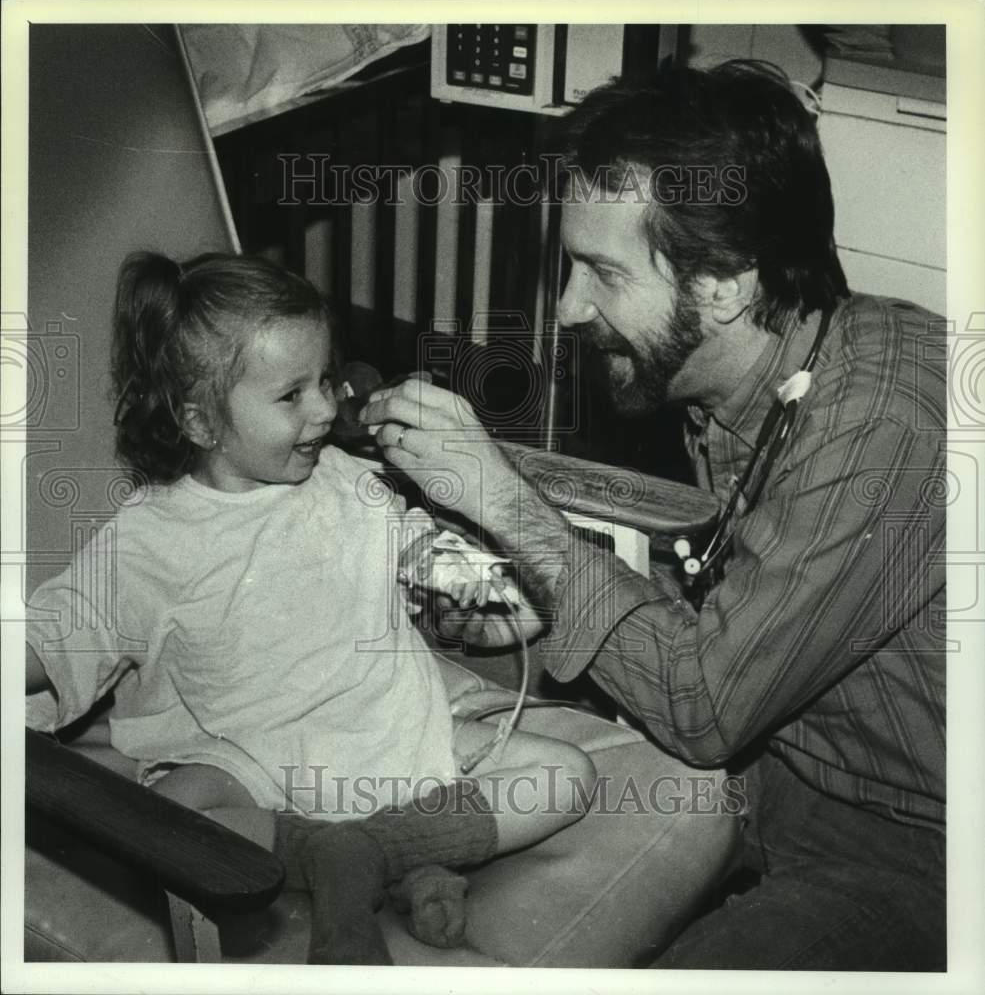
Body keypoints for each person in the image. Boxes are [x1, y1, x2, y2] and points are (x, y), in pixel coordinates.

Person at [361, 61, 947, 970]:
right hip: (775, 770)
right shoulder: (750, 372)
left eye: (600, 271)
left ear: (721, 286)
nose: (566, 307)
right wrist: (540, 600)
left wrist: (506, 501)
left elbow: (704, 708)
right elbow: (740, 593)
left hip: (916, 845)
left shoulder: (882, 424)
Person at [24, 251, 596, 965]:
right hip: (250, 760)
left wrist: (459, 563)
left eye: (325, 379)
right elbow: (54, 635)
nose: (327, 408)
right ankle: (398, 858)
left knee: (565, 776)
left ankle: (362, 853)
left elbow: (493, 605)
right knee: (169, 815)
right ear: (200, 421)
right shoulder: (146, 543)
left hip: (389, 735)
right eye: (291, 395)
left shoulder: (348, 484)